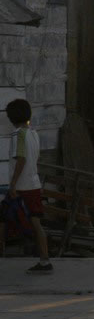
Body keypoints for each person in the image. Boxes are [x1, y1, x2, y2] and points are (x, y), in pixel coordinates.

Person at [0, 99, 51, 273]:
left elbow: (20, 159)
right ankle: (45, 261)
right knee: (36, 224)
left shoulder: (17, 135)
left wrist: (13, 184)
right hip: (33, 184)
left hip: (22, 187)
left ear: (12, 117)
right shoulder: (33, 134)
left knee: (3, 219)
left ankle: (3, 256)